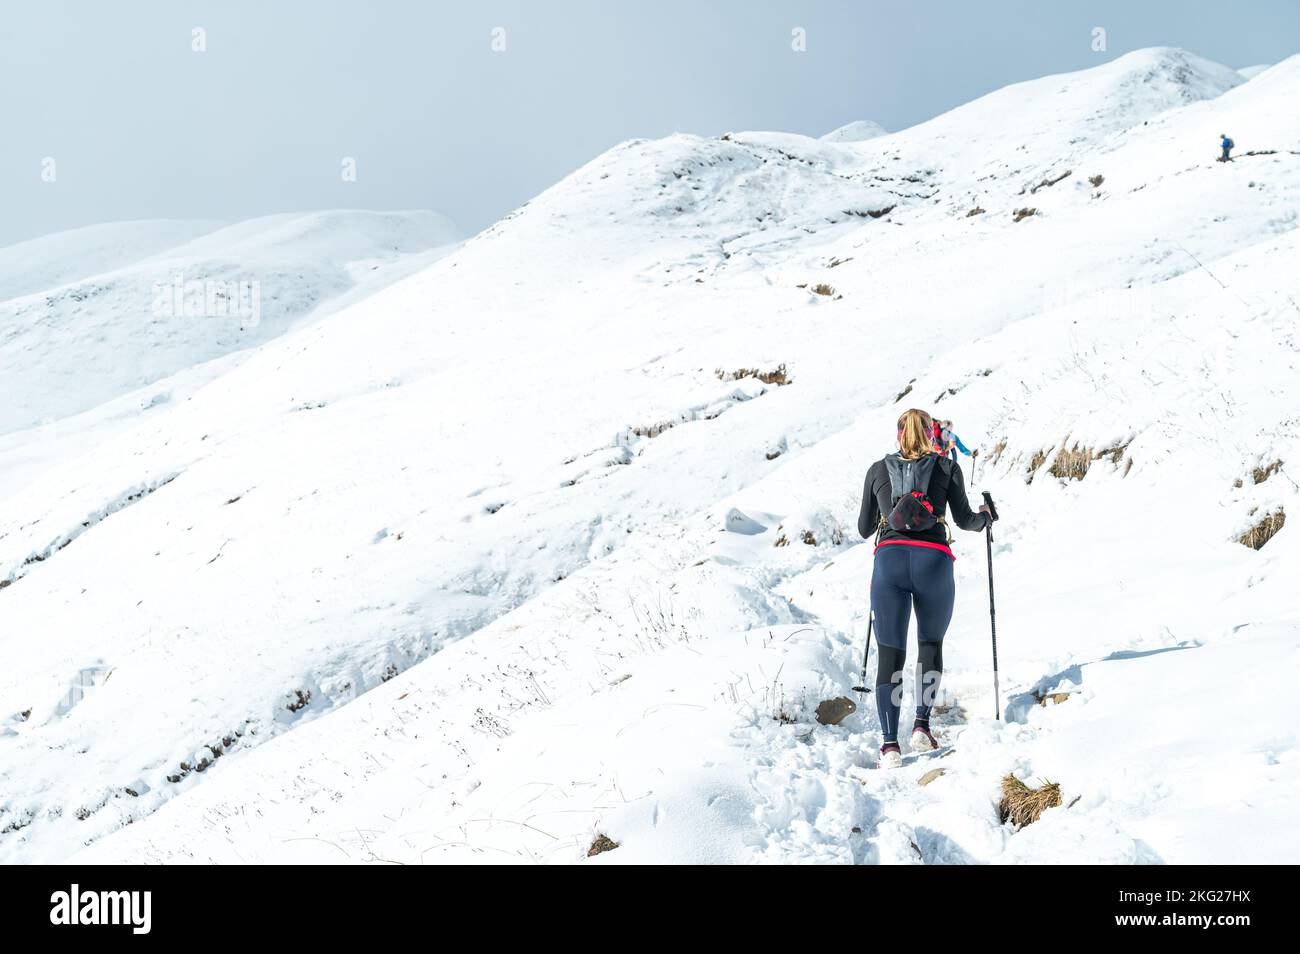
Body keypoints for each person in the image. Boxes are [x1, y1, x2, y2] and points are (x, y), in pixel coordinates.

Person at [857, 409, 994, 768]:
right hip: (934, 561)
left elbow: (862, 527)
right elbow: (965, 521)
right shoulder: (948, 468)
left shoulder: (877, 470)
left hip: (890, 562)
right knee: (930, 645)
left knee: (891, 653)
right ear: (932, 434)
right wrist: (987, 517)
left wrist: (885, 511)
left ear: (899, 434)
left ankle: (890, 745)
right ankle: (921, 725)